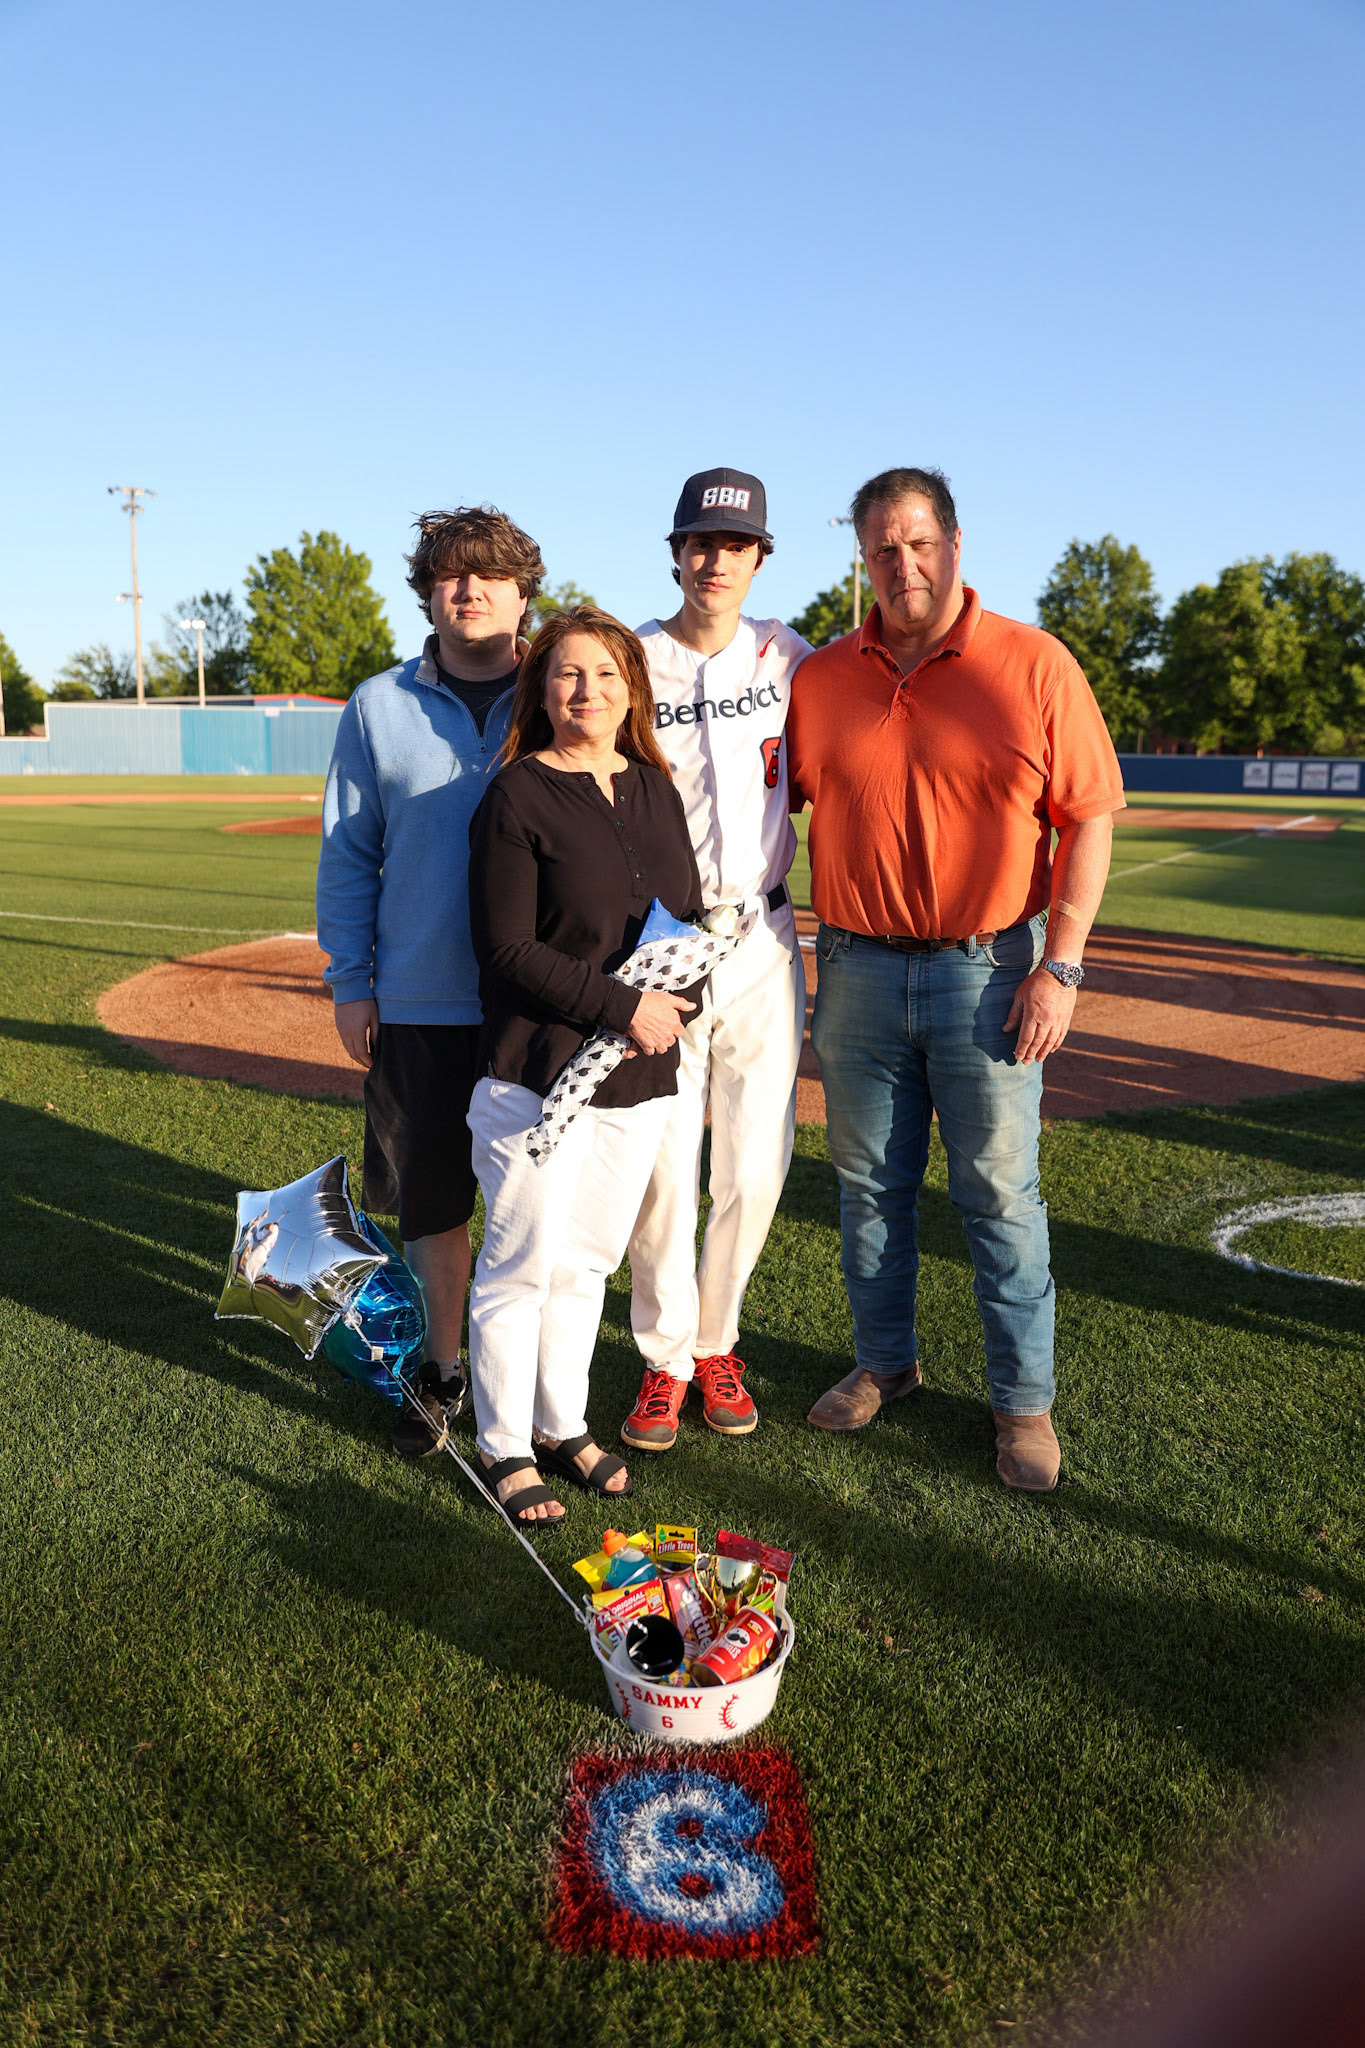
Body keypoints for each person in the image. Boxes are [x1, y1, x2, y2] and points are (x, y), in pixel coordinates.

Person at [787, 467, 1124, 1492]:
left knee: (999, 1196)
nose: (905, 563)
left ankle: (1024, 1406)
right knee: (868, 1192)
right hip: (854, 967)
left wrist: (1060, 965)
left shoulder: (1032, 662)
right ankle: (886, 1362)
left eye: (920, 541)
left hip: (992, 971)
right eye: (883, 549)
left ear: (956, 543)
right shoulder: (823, 677)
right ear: (864, 560)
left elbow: (1091, 816)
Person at [466, 606, 705, 1526]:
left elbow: (677, 914)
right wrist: (624, 1006)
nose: (587, 692)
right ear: (542, 688)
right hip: (537, 1073)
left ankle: (561, 1424)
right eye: (567, 674)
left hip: (636, 1075)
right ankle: (502, 1446)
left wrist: (678, 993)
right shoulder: (518, 794)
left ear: (630, 689)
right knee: (521, 1264)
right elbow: (506, 950)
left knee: (587, 1264)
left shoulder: (652, 787)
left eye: (606, 675)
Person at [317, 505, 544, 1460]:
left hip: (542, 1003)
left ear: (522, 588)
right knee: (435, 1202)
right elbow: (348, 851)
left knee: (539, 1213)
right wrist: (350, 982)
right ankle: (443, 1369)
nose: (470, 589)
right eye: (451, 575)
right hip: (417, 1000)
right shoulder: (378, 705)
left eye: (490, 574)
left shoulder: (568, 688)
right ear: (429, 591)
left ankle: (536, 1391)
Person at [619, 467, 811, 1455]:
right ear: (677, 551)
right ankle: (663, 1358)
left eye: (732, 544)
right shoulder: (634, 661)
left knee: (754, 1160)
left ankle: (716, 1341)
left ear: (758, 557)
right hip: (666, 938)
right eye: (698, 541)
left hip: (768, 937)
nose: (713, 559)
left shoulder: (790, 657)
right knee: (662, 1160)